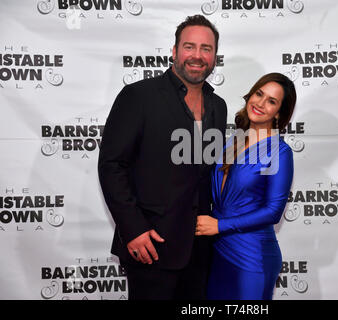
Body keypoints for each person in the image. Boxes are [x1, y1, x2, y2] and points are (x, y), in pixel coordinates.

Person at [98, 15, 227, 300]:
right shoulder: (138, 96)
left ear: (215, 56)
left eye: (206, 48)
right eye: (189, 46)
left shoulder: (219, 106)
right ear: (174, 51)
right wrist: (133, 230)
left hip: (200, 247)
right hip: (151, 245)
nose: (197, 55)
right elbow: (112, 166)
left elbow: (205, 173)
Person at [195, 73, 296, 300]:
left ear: (279, 112)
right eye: (259, 94)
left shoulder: (280, 152)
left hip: (251, 257)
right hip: (217, 251)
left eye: (271, 101)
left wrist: (220, 225)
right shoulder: (233, 140)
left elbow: (273, 211)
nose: (260, 103)